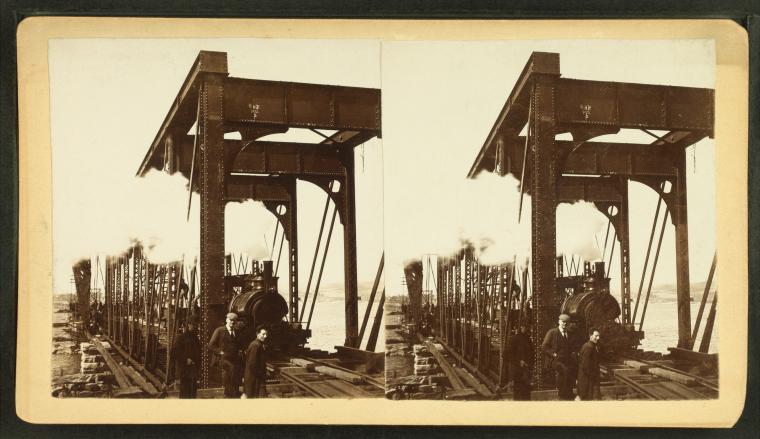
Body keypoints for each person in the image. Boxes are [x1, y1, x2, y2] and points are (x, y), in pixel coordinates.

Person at [541, 313, 578, 400]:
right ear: (559, 322)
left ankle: (568, 392)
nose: (564, 324)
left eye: (566, 322)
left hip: (566, 360)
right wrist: (553, 354)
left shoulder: (569, 333)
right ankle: (562, 393)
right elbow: (544, 346)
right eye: (562, 322)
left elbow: (571, 347)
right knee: (564, 370)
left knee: (572, 370)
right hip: (554, 360)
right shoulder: (552, 332)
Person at [207, 312, 243, 398]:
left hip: (234, 360)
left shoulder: (236, 332)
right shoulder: (219, 330)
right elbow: (211, 345)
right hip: (224, 360)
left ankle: (233, 396)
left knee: (235, 381)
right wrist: (220, 352)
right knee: (228, 381)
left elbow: (238, 345)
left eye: (234, 321)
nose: (232, 322)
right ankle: (227, 396)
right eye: (230, 320)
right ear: (227, 320)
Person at [170, 320, 201, 398]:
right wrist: (185, 360)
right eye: (194, 325)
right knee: (185, 390)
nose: (196, 327)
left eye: (197, 325)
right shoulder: (181, 337)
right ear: (188, 325)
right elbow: (173, 353)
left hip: (194, 369)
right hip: (185, 369)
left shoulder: (195, 338)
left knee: (193, 390)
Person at [508, 323, 534, 400]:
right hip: (518, 371)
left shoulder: (528, 339)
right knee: (519, 393)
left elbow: (532, 354)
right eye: (525, 327)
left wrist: (531, 366)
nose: (527, 329)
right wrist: (519, 362)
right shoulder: (514, 339)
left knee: (526, 394)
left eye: (528, 327)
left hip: (526, 371)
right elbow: (507, 355)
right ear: (521, 327)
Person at [243, 326, 269, 399]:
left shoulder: (259, 344)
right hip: (253, 378)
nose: (265, 336)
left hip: (255, 377)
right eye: (263, 334)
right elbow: (252, 364)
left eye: (266, 334)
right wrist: (261, 373)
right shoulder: (255, 345)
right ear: (257, 334)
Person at [577, 328, 601, 401]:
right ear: (590, 336)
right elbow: (585, 366)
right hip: (587, 380)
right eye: (596, 336)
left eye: (599, 336)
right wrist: (593, 375)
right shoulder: (588, 347)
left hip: (588, 379)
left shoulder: (592, 346)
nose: (598, 338)